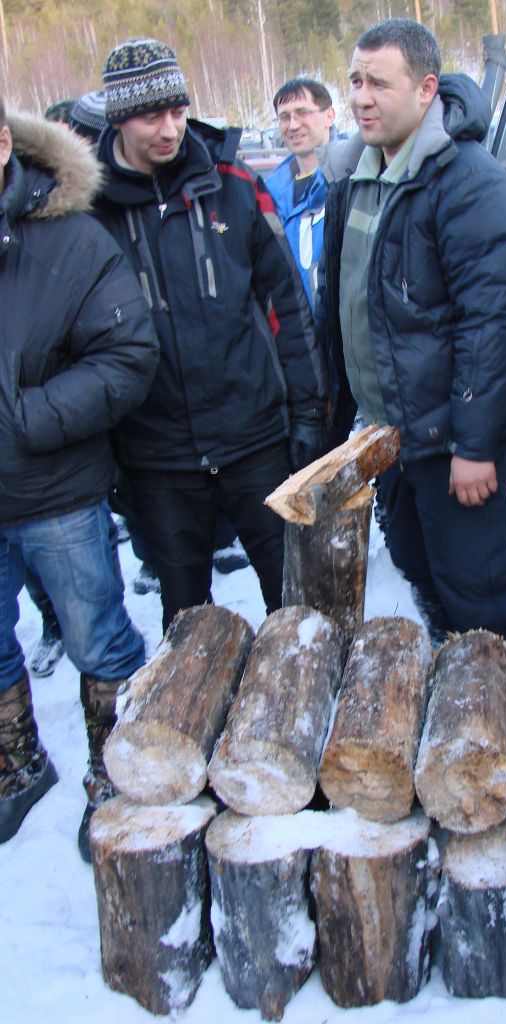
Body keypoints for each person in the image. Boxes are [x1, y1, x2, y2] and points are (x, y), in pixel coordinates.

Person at [317, 18, 506, 761]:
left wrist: (476, 446)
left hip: (449, 433)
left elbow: (490, 329)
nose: (361, 97)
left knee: (479, 578)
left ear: (427, 89)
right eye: (355, 80)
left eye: (379, 82)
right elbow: (343, 305)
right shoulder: (355, 177)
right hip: (386, 429)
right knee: (416, 561)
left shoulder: (468, 183)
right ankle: (464, 665)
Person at [93, 38, 328, 633]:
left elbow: (286, 303)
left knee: (296, 605)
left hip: (254, 438)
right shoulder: (90, 211)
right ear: (119, 118)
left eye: (178, 111)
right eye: (152, 116)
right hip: (158, 455)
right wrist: (109, 460)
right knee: (186, 622)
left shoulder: (232, 181)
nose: (170, 129)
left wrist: (308, 413)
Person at [0, 98, 159, 857]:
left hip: (53, 490)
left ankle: (115, 770)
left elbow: (128, 354)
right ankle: (17, 764)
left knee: (98, 635)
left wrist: (28, 417)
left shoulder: (68, 235)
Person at [267, 77, 336, 305]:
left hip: (335, 323)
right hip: (290, 323)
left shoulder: (346, 182)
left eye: (302, 113)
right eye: (285, 117)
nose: (293, 125)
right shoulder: (269, 194)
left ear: (329, 116)